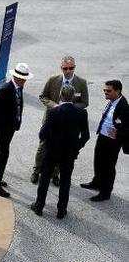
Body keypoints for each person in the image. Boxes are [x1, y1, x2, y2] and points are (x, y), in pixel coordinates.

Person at [30, 85, 90, 219]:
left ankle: (39, 206)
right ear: (73, 96)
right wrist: (76, 147)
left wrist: (48, 143)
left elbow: (42, 134)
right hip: (69, 154)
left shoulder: (53, 112)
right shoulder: (81, 113)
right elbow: (86, 136)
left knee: (45, 179)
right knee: (65, 181)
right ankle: (61, 210)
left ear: (60, 96)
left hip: (51, 152)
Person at [31, 56, 89, 185]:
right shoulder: (53, 80)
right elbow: (43, 96)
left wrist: (71, 108)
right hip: (52, 118)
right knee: (43, 145)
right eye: (65, 68)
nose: (68, 71)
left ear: (74, 67)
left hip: (68, 121)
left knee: (62, 147)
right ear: (61, 68)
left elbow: (85, 102)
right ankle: (36, 170)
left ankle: (55, 174)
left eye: (71, 68)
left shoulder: (81, 82)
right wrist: (55, 106)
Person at [0, 63, 33, 198]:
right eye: (22, 79)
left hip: (10, 126)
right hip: (3, 127)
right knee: (4, 154)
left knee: (0, 151)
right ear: (16, 77)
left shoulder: (18, 88)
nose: (24, 81)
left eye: (25, 79)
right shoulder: (6, 89)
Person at [80, 80, 128, 201]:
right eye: (104, 90)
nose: (105, 93)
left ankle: (105, 192)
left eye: (108, 91)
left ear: (117, 91)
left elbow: (127, 126)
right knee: (98, 161)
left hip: (113, 141)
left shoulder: (123, 106)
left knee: (109, 166)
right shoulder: (111, 101)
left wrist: (119, 133)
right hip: (102, 136)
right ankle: (96, 183)